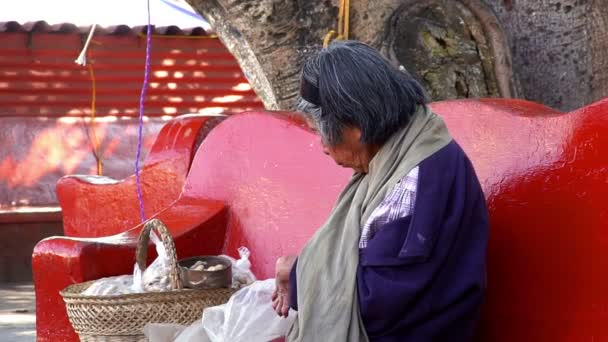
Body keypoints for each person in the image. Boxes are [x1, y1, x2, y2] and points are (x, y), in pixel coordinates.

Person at [271, 40, 489, 342]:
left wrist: (298, 274)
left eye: (322, 133)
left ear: (355, 127)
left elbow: (377, 304)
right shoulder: (410, 138)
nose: (322, 147)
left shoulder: (412, 181)